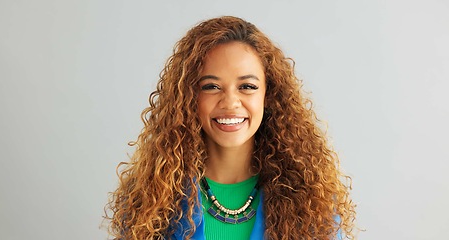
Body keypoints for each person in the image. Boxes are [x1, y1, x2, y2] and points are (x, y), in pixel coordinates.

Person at [105, 16, 356, 240]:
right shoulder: (152, 202)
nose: (230, 103)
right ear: (189, 97)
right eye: (211, 87)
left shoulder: (313, 206)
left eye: (247, 86)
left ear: (269, 96)